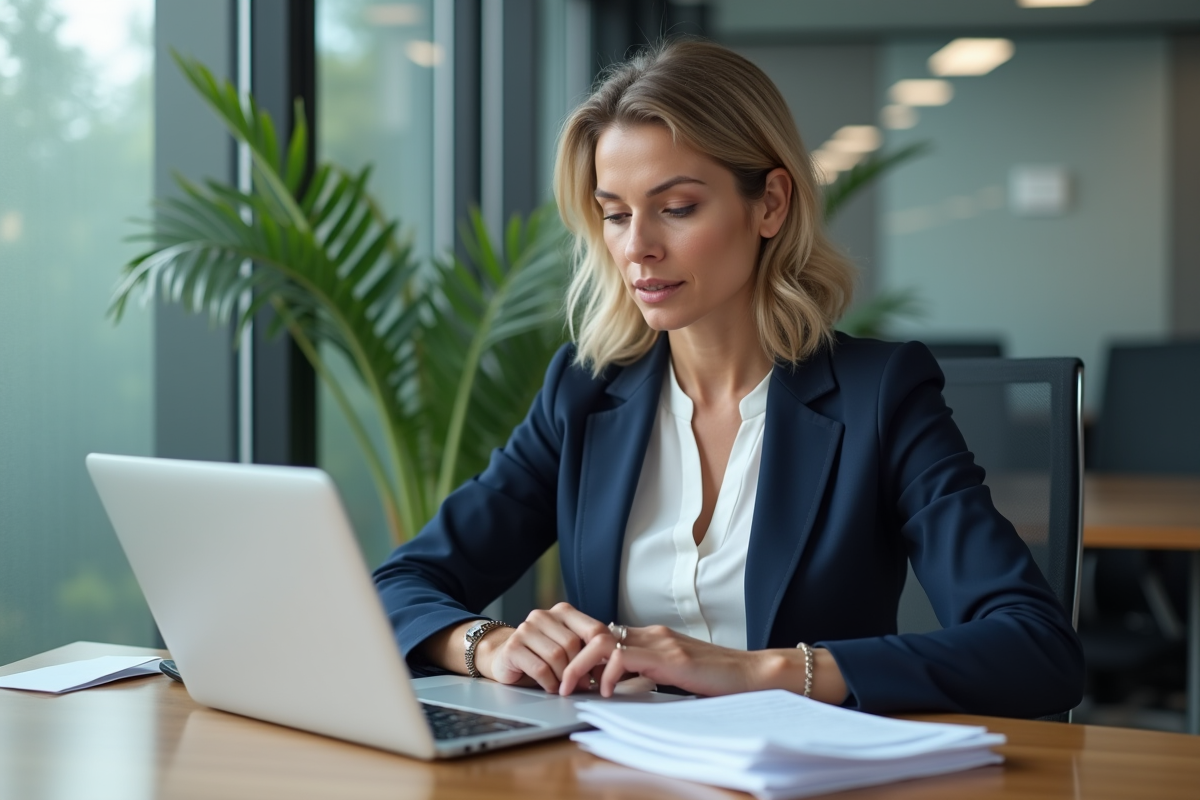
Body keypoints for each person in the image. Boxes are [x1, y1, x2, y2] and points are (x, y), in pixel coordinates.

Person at [373, 39, 1083, 717]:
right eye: (614, 214)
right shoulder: (583, 394)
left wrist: (760, 671)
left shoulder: (879, 395)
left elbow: (1035, 647)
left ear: (770, 203)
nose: (638, 247)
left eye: (677, 208)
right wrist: (485, 644)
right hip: (616, 770)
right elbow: (397, 586)